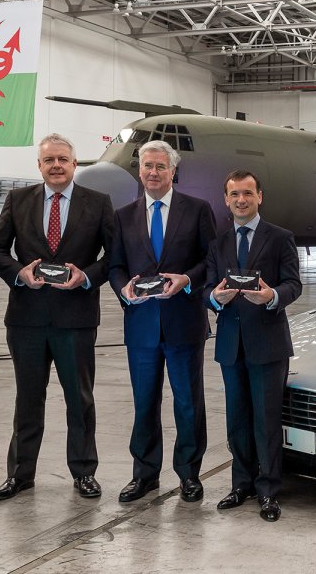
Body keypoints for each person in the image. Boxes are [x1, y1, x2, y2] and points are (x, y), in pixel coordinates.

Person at [0, 134, 115, 501]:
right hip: (27, 319)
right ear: (39, 166)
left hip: (76, 319)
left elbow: (114, 256)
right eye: (49, 160)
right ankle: (20, 475)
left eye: (62, 159)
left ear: (74, 164)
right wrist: (19, 273)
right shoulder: (18, 200)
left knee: (80, 400)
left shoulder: (98, 203)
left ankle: (84, 472)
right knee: (27, 400)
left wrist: (86, 276)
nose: (56, 165)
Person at [108, 140, 216, 504]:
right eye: (147, 166)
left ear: (173, 171)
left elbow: (211, 260)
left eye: (160, 166)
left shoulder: (197, 210)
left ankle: (189, 474)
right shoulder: (123, 215)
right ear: (139, 170)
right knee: (144, 403)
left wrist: (187, 280)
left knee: (188, 403)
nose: (153, 172)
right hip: (141, 324)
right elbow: (115, 265)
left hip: (184, 323)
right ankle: (144, 475)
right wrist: (124, 289)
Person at [204, 170, 302, 522]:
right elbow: (207, 288)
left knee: (266, 420)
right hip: (231, 344)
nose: (241, 200)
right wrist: (214, 298)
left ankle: (269, 490)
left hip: (268, 344)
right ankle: (241, 484)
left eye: (247, 193)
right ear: (226, 200)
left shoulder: (280, 238)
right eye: (234, 194)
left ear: (260, 196)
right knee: (238, 421)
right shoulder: (218, 243)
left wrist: (272, 296)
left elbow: (294, 284)